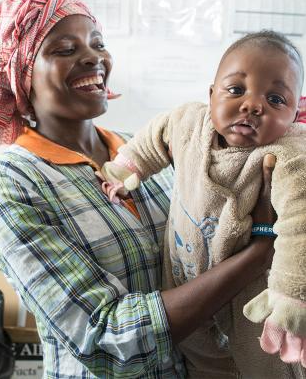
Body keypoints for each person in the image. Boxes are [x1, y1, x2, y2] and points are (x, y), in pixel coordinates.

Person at [0, 0, 279, 378]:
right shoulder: (11, 183)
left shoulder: (147, 152)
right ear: (20, 73)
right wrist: (259, 250)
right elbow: (108, 340)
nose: (94, 57)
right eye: (64, 49)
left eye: (98, 44)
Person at [100, 30, 306, 378]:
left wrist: (289, 296)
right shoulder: (188, 123)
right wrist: (127, 168)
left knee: (266, 365)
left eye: (275, 99)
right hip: (186, 287)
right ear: (211, 94)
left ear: (294, 113)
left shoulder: (288, 156)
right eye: (236, 89)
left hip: (252, 299)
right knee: (203, 362)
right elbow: (155, 137)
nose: (253, 105)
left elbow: (300, 225)